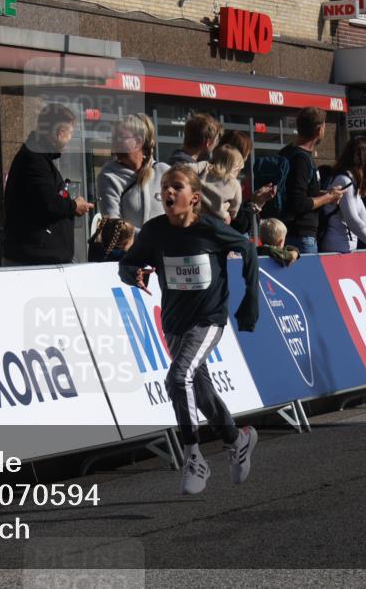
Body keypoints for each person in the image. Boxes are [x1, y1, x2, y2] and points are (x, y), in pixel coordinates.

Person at [118, 164, 259, 495]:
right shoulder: (154, 232)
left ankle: (194, 457)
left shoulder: (211, 229)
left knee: (178, 378)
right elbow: (128, 263)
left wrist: (249, 303)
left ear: (194, 198)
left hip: (209, 320)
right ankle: (237, 439)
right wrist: (132, 274)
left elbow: (249, 249)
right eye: (164, 187)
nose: (168, 192)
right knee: (201, 390)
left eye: (176, 187)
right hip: (174, 324)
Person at [3, 103, 94, 265]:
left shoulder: (37, 157)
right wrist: (73, 206)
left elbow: (48, 199)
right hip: (34, 261)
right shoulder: (35, 160)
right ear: (60, 133)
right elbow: (49, 204)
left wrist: (68, 202)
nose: (70, 139)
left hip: (38, 257)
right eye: (70, 133)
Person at [319, 136, 366, 269]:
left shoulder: (351, 179)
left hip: (345, 247)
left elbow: (364, 216)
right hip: (337, 247)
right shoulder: (344, 180)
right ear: (363, 157)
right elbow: (352, 219)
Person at [278, 107, 345, 254]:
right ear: (319, 130)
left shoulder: (287, 152)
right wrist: (328, 198)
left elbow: (300, 191)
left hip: (289, 232)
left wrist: (325, 194)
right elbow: (299, 202)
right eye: (324, 126)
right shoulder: (301, 159)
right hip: (300, 236)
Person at [97, 114, 169, 229]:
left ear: (138, 142)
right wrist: (150, 239)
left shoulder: (164, 172)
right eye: (113, 138)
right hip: (130, 247)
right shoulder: (109, 176)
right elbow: (113, 224)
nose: (114, 143)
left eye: (120, 138)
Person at [194, 145, 243, 224]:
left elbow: (186, 169)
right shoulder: (235, 184)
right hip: (218, 221)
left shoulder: (205, 166)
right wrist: (229, 214)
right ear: (234, 168)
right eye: (239, 170)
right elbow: (235, 208)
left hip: (197, 215)